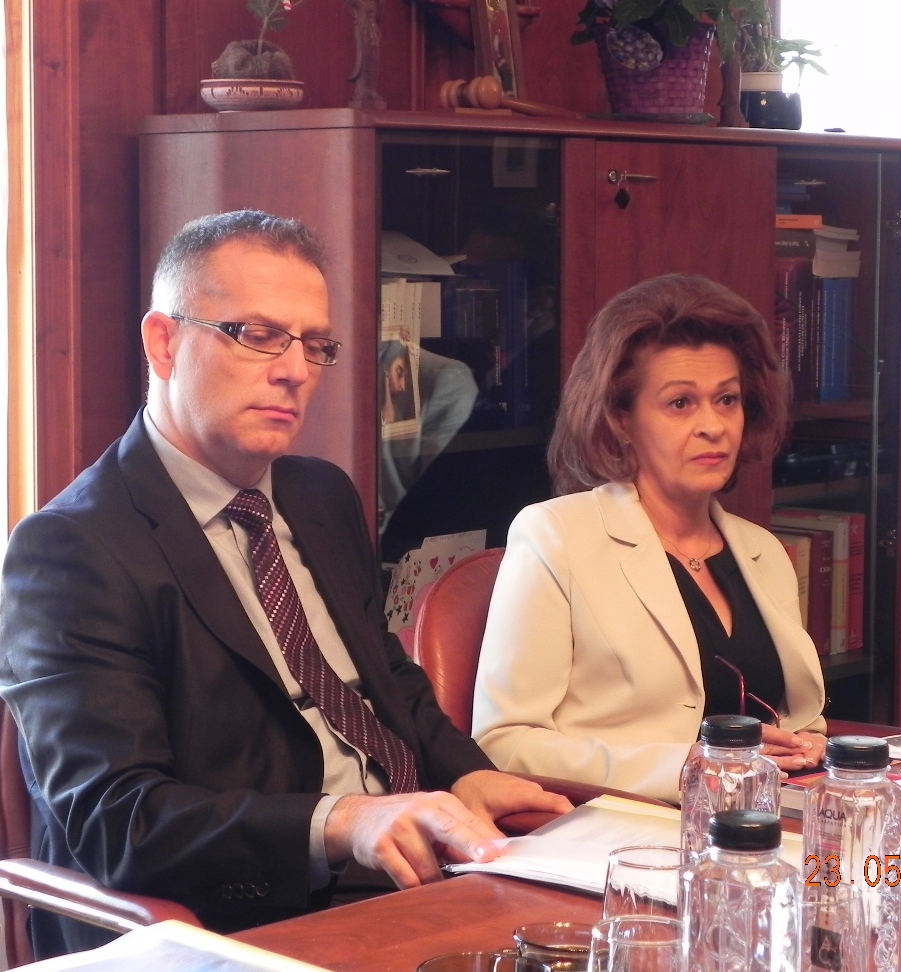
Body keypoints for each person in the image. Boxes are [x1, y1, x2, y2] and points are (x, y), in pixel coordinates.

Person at [0, 210, 570, 958]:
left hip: (425, 873)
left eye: (315, 344)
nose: (296, 370)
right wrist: (341, 822)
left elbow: (388, 683)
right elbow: (118, 821)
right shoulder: (72, 549)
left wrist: (466, 777)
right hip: (246, 915)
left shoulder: (319, 494)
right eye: (259, 335)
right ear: (163, 342)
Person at [472, 274, 828, 806]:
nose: (714, 426)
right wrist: (684, 767)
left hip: (768, 818)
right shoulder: (556, 536)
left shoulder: (764, 553)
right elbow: (503, 744)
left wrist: (808, 743)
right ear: (621, 419)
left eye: (727, 400)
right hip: (630, 827)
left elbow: (799, 718)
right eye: (681, 403)